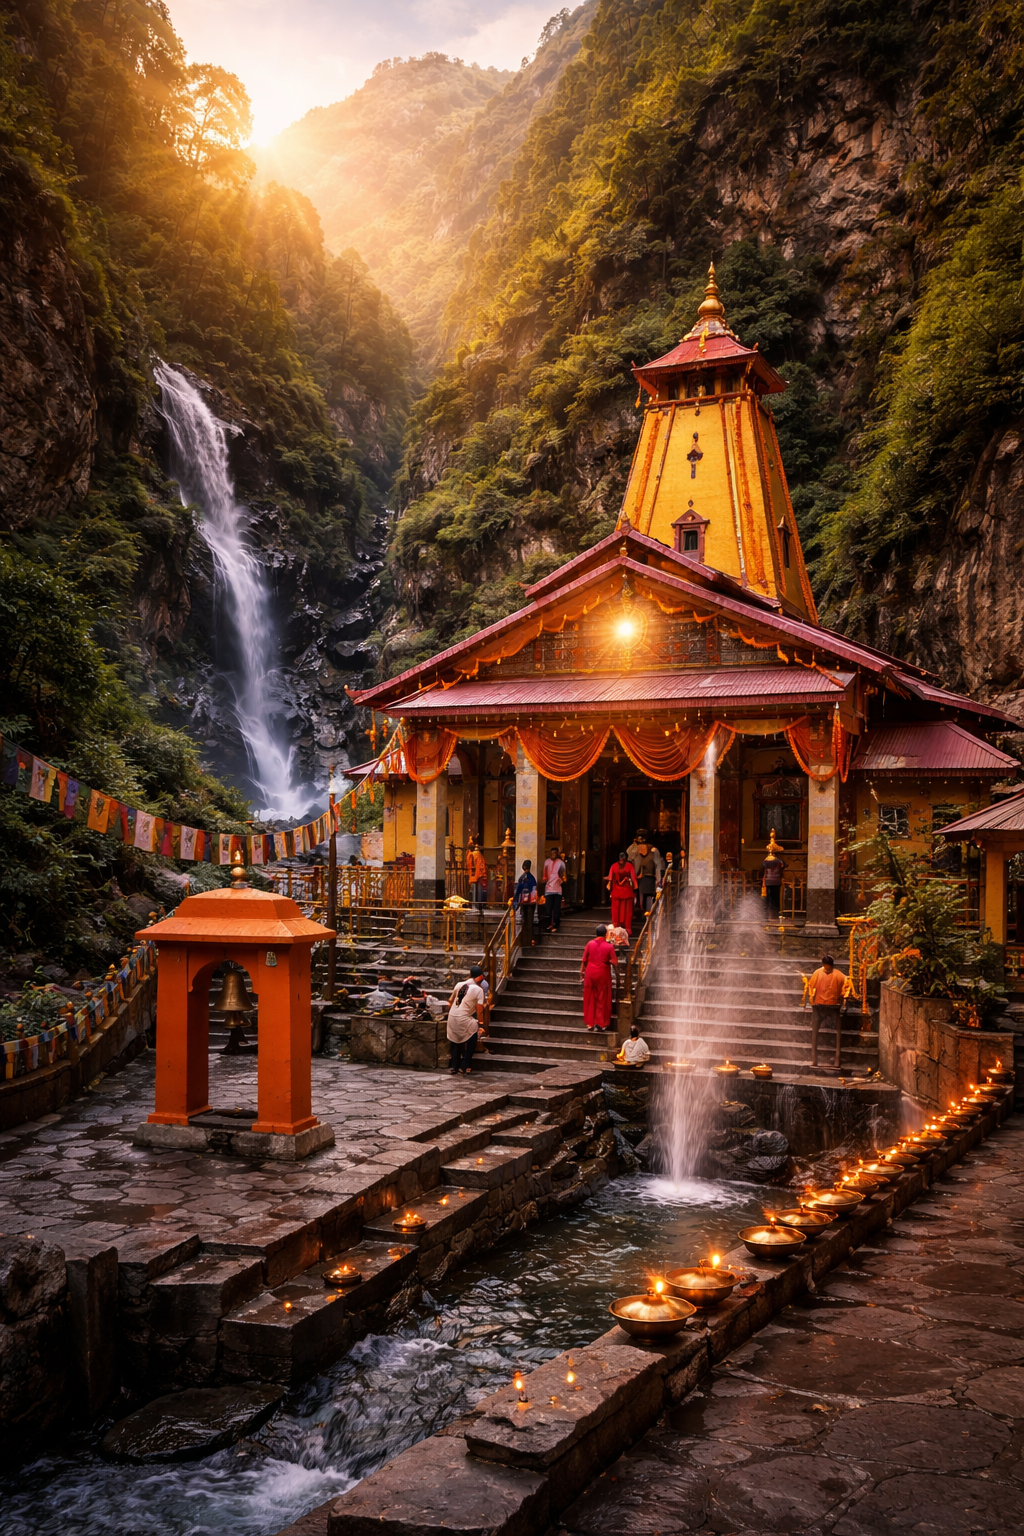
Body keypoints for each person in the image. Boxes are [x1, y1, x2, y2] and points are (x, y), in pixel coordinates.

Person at [807, 953, 847, 1071]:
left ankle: (837, 1059)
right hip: (819, 1005)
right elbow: (810, 987)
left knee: (837, 1030)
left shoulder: (839, 975)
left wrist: (842, 1002)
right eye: (825, 967)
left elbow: (845, 989)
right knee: (815, 1031)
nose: (827, 970)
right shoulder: (818, 973)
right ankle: (814, 1058)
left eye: (828, 967)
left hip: (833, 1006)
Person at [446, 965, 485, 1075]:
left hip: (452, 1017)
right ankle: (464, 1065)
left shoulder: (459, 984)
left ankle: (454, 1065)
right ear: (480, 977)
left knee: (455, 1041)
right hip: (463, 1018)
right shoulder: (478, 990)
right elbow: (479, 1010)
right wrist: (481, 1024)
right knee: (473, 1035)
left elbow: (450, 1001)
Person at [580, 923, 619, 1032]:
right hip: (602, 974)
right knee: (602, 998)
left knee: (590, 998)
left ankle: (590, 1023)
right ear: (606, 934)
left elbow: (584, 960)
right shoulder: (609, 946)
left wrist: (582, 973)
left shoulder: (589, 944)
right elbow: (615, 962)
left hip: (590, 973)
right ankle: (601, 1023)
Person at [606, 852, 639, 935]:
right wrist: (636, 890)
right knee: (627, 911)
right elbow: (634, 879)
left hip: (616, 891)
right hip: (627, 892)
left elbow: (610, 878)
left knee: (615, 910)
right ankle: (627, 929)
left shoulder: (613, 866)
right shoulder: (630, 866)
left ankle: (616, 928)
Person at [513, 859, 539, 947]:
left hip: (524, 903)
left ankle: (525, 940)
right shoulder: (532, 879)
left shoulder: (522, 878)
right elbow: (534, 891)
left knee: (525, 920)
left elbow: (518, 892)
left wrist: (516, 903)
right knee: (529, 921)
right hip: (530, 903)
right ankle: (529, 940)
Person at [542, 847, 567, 932]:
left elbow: (564, 876)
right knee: (548, 909)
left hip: (557, 890)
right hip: (548, 889)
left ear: (557, 854)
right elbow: (544, 876)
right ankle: (548, 924)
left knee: (557, 909)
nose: (553, 855)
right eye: (551, 853)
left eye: (555, 853)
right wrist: (544, 880)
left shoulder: (561, 863)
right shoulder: (546, 862)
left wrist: (562, 880)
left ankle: (556, 924)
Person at [761, 834, 787, 916]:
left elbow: (763, 870)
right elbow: (784, 866)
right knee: (776, 897)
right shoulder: (779, 862)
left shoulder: (765, 861)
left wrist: (764, 882)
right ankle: (776, 912)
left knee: (769, 898)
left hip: (768, 881)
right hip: (776, 881)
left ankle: (768, 912)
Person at [637, 840, 659, 915]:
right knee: (644, 896)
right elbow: (641, 868)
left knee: (649, 895)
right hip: (644, 880)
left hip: (650, 879)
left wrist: (658, 877)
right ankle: (644, 911)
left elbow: (657, 867)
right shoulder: (643, 858)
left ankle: (649, 911)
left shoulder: (653, 854)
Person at [466, 839, 488, 911]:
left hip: (476, 877)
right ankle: (477, 905)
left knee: (476, 893)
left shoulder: (472, 855)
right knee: (477, 893)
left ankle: (476, 905)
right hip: (478, 876)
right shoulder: (478, 855)